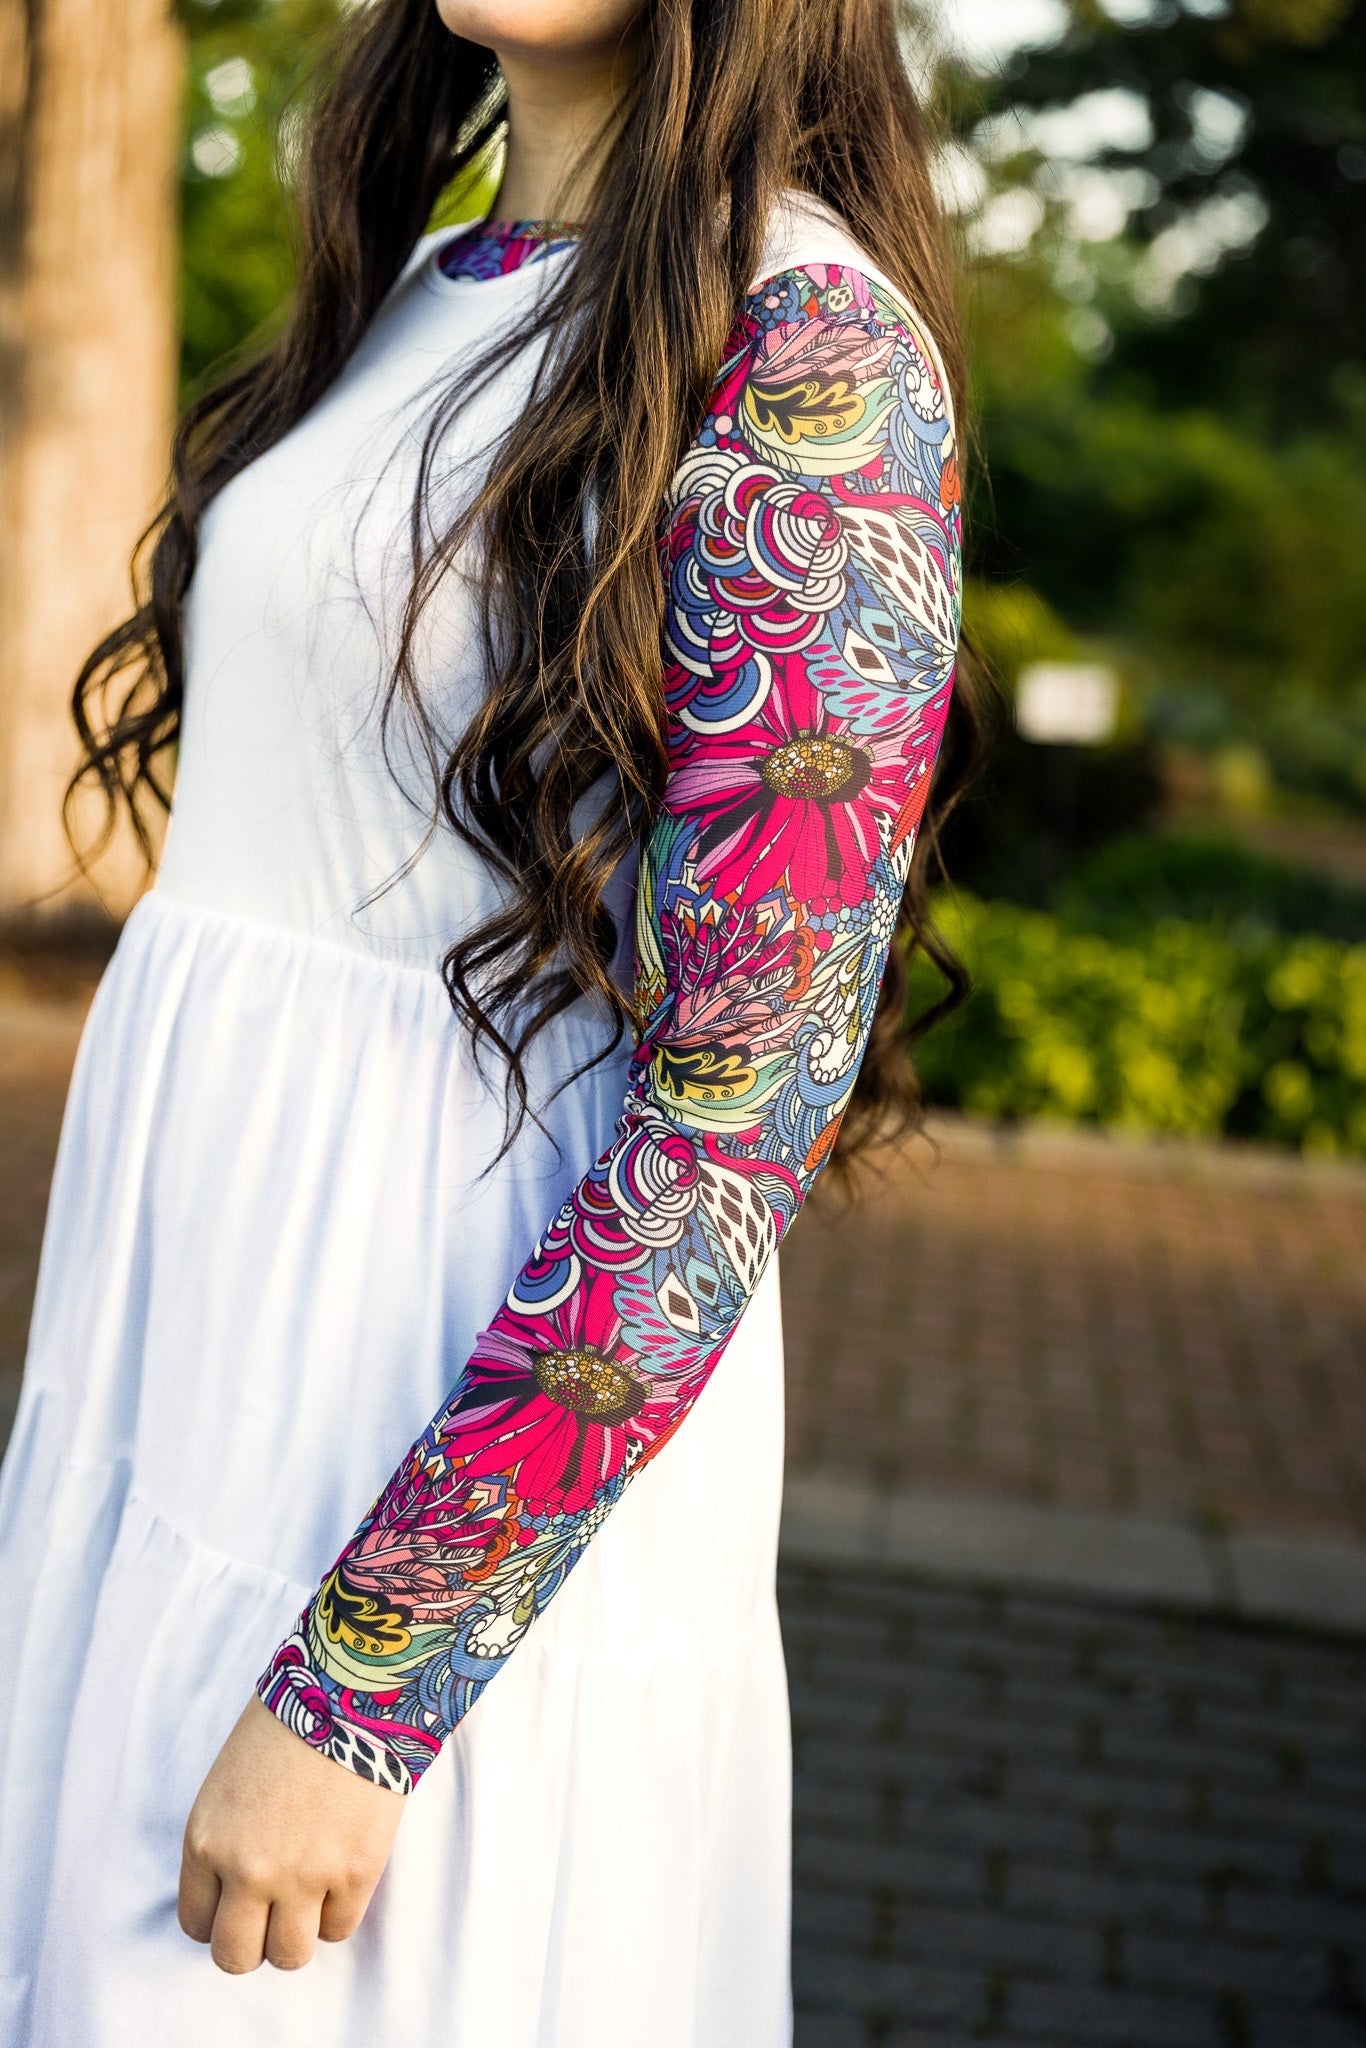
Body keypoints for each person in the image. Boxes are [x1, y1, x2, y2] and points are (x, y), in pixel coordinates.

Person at [0, 0, 979, 2039]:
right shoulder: (435, 268)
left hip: (423, 1470)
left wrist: (368, 1685)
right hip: (183, 1389)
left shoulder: (811, 350)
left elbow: (732, 1123)